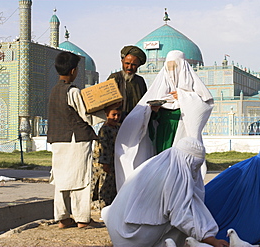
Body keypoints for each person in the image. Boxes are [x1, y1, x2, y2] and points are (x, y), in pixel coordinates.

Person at [114, 50, 214, 190]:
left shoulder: (193, 90)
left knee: (181, 169)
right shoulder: (161, 87)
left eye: (176, 67)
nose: (172, 71)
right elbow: (147, 112)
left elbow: (205, 105)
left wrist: (184, 97)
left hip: (182, 132)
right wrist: (153, 110)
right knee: (163, 167)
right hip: (163, 134)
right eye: (169, 67)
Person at [102, 137, 228, 247]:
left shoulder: (159, 163)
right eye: (195, 164)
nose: (195, 169)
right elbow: (180, 215)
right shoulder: (172, 176)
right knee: (182, 225)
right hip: (130, 235)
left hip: (117, 224)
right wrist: (211, 240)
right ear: (187, 160)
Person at [47, 51, 105, 228]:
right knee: (80, 179)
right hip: (75, 140)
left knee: (62, 179)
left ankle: (62, 218)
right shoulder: (73, 91)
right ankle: (82, 219)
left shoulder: (54, 91)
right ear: (73, 71)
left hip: (58, 141)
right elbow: (86, 114)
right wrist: (107, 111)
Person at [91, 105, 122, 210]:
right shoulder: (105, 130)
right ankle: (102, 206)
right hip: (103, 163)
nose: (116, 117)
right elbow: (103, 148)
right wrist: (105, 163)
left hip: (114, 162)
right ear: (106, 115)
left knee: (112, 185)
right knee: (103, 185)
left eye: (118, 115)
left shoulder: (118, 128)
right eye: (113, 115)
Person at [107, 45, 147, 120]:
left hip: (135, 121)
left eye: (133, 65)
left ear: (138, 65)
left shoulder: (140, 81)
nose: (129, 67)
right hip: (116, 122)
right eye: (127, 63)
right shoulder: (114, 78)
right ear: (122, 62)